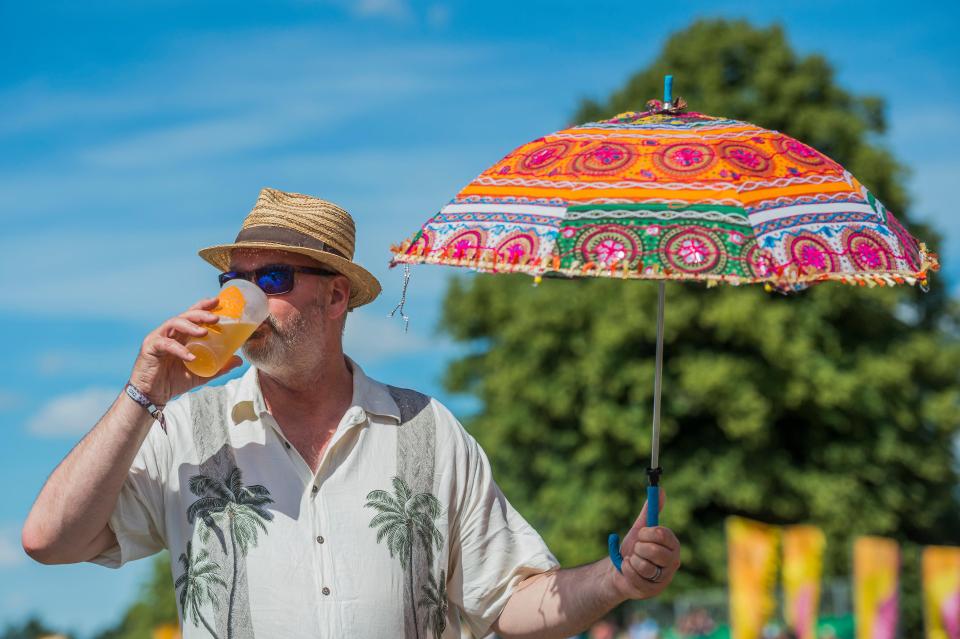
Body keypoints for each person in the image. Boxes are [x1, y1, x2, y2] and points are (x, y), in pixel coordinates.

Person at [22, 188, 682, 638]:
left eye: (271, 281)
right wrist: (144, 391)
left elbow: (509, 598)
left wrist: (616, 578)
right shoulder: (185, 429)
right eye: (234, 283)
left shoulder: (429, 430)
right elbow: (50, 539)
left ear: (336, 297)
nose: (244, 300)